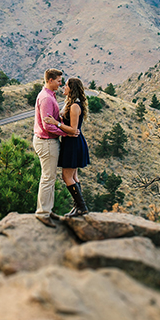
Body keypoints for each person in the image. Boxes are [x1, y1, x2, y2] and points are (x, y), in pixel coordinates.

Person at [44, 77, 89, 217]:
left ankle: (82, 206)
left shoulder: (75, 106)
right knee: (73, 176)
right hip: (70, 142)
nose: (64, 87)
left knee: (66, 176)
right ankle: (78, 207)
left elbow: (74, 130)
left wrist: (55, 123)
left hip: (73, 143)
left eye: (67, 85)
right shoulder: (71, 104)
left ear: (72, 89)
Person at [33, 68, 65, 227]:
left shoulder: (49, 95)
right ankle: (43, 213)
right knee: (47, 178)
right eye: (59, 81)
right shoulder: (46, 98)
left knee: (50, 178)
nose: (61, 83)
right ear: (50, 80)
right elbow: (47, 125)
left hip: (47, 141)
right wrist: (65, 133)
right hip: (46, 142)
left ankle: (47, 209)